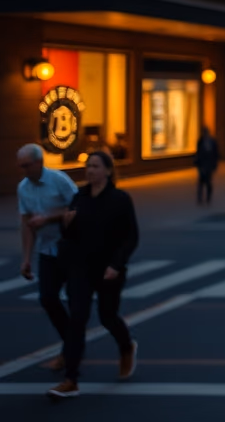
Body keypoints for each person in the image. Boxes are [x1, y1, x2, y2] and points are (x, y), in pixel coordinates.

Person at [46, 149, 139, 399]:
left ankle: (126, 346)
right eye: (88, 166)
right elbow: (70, 235)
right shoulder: (80, 197)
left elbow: (131, 237)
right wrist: (66, 225)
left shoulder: (120, 199)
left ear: (108, 170)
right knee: (77, 319)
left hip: (109, 269)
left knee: (108, 316)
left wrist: (116, 265)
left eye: (96, 166)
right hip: (81, 268)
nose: (90, 171)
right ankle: (71, 379)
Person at [16, 143, 79, 372]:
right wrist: (26, 258)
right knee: (48, 298)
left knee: (76, 301)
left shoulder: (59, 180)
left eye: (27, 165)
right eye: (21, 166)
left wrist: (48, 218)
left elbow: (78, 208)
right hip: (47, 250)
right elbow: (27, 224)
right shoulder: (23, 188)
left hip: (71, 248)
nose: (24, 170)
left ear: (39, 162)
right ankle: (71, 344)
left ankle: (70, 351)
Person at [192, 126, 219, 206]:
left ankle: (206, 197)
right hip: (203, 164)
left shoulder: (210, 142)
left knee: (206, 181)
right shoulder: (202, 141)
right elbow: (199, 153)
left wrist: (214, 164)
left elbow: (215, 154)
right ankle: (202, 197)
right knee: (203, 181)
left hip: (207, 164)